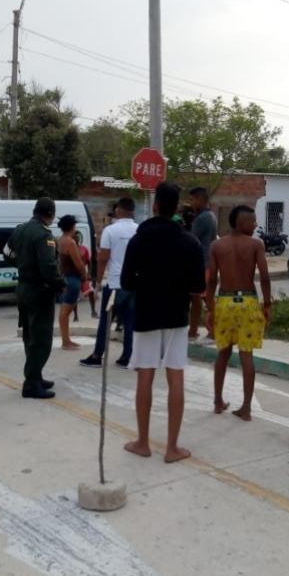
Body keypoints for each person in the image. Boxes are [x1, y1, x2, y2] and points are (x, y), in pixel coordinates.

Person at [120, 182, 205, 463]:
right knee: (175, 375)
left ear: (155, 206)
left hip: (146, 314)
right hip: (176, 317)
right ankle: (172, 448)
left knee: (145, 375)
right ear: (175, 207)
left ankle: (143, 442)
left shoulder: (139, 238)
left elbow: (125, 282)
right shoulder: (189, 241)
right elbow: (198, 287)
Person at [205, 205, 272, 420]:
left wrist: (210, 308)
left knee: (222, 353)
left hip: (224, 301)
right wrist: (267, 304)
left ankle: (217, 400)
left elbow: (212, 279)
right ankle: (246, 407)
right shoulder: (255, 245)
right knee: (246, 355)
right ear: (241, 223)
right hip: (248, 302)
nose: (255, 224)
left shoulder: (217, 245)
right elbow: (264, 277)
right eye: (252, 221)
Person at [10, 198, 65, 399]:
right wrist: (60, 283)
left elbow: (7, 253)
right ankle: (31, 383)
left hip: (23, 288)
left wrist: (24, 265)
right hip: (39, 292)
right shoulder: (43, 235)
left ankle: (36, 375)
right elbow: (48, 268)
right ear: (49, 214)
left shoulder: (20, 229)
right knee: (41, 339)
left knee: (29, 336)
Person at [80, 197, 138, 369]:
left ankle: (97, 356)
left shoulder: (110, 231)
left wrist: (97, 283)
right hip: (133, 286)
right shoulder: (140, 230)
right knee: (130, 322)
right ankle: (127, 357)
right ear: (132, 211)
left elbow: (103, 258)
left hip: (114, 285)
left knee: (105, 321)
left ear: (119, 210)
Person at [187, 186, 218, 342]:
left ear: (200, 200)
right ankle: (192, 331)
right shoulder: (210, 215)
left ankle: (214, 332)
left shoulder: (202, 218)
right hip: (204, 262)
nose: (191, 203)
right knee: (196, 298)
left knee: (206, 298)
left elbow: (191, 239)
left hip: (202, 263)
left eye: (192, 200)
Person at [55, 214, 87, 351]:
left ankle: (66, 340)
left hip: (65, 277)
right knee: (66, 311)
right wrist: (85, 276)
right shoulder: (70, 242)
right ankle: (65, 342)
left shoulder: (59, 240)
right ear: (72, 227)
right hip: (73, 278)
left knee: (65, 310)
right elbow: (79, 264)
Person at [75, 231, 96, 319]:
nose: (77, 238)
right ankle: (75, 315)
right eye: (75, 237)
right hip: (74, 276)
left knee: (91, 292)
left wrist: (89, 273)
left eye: (78, 237)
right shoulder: (70, 248)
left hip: (83, 275)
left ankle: (93, 311)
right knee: (74, 296)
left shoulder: (84, 249)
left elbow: (89, 261)